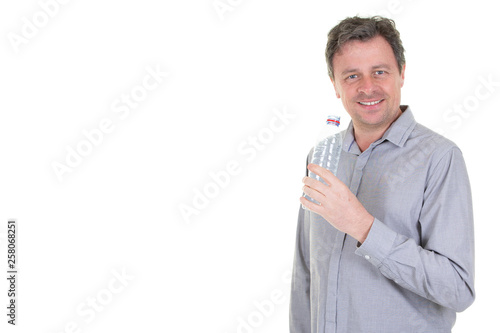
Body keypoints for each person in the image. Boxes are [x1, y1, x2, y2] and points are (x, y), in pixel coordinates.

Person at [290, 16, 475, 332]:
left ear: (401, 74)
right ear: (334, 84)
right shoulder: (321, 157)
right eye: (351, 76)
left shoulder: (440, 158)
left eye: (379, 72)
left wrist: (363, 227)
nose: (367, 87)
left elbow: (458, 290)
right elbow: (306, 272)